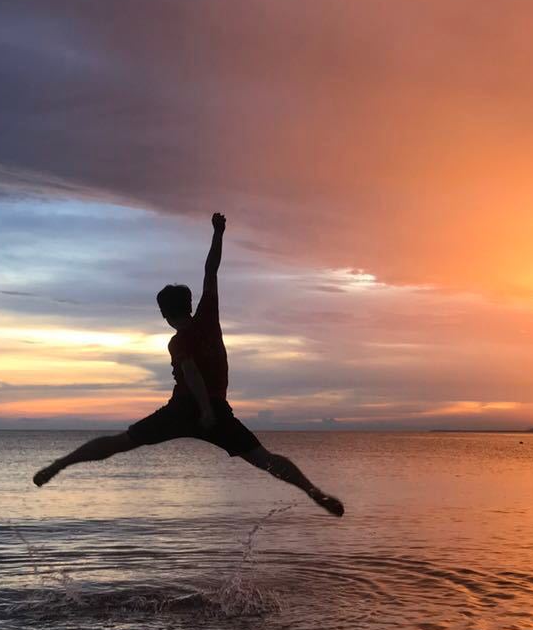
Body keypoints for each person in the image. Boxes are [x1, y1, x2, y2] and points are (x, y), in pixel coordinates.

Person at [33, 213, 345, 517]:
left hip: (185, 409)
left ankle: (60, 465)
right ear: (190, 305)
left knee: (120, 443)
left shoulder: (178, 342)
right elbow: (211, 270)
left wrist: (203, 410)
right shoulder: (208, 318)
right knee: (265, 459)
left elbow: (191, 372)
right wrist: (218, 233)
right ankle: (311, 490)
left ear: (164, 314)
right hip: (216, 410)